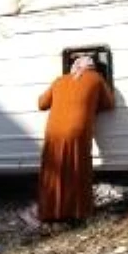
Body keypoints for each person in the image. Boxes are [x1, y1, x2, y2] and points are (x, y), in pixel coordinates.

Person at [22, 54, 115, 228]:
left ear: (74, 67)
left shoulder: (59, 80)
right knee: (77, 169)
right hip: (77, 130)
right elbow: (110, 104)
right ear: (92, 67)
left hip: (54, 131)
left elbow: (41, 103)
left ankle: (50, 212)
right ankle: (78, 212)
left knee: (53, 171)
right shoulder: (96, 79)